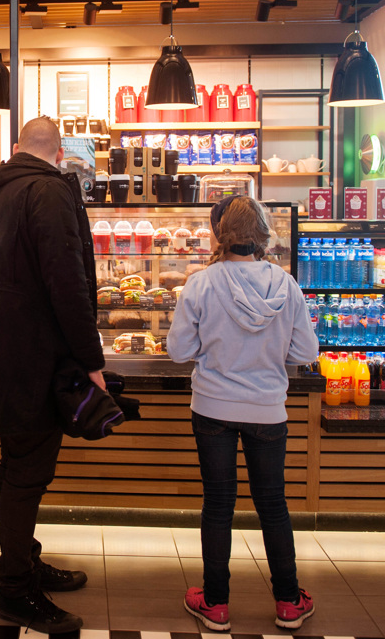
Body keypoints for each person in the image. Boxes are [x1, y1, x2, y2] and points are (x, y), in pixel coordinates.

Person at [0, 117, 105, 634]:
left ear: (17, 148)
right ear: (59, 154)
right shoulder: (49, 191)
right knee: (27, 475)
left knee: (18, 468)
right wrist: (91, 358)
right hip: (34, 357)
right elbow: (67, 282)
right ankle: (16, 590)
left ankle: (25, 562)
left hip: (5, 350)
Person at [167, 196, 318, 632]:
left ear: (221, 234)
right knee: (273, 504)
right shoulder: (285, 284)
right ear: (263, 236)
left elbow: (179, 350)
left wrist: (210, 348)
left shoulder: (201, 283)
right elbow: (306, 351)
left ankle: (215, 604)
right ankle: (289, 601)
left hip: (212, 406)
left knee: (218, 504)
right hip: (268, 409)